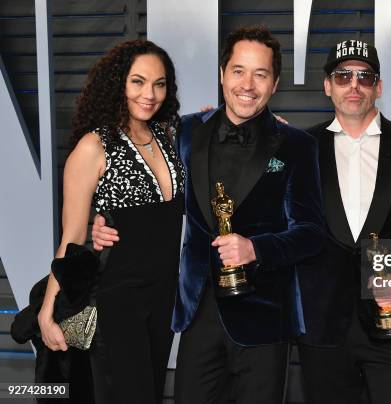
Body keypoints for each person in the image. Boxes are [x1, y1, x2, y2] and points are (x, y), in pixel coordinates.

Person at [92, 26, 324, 404]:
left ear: (275, 83)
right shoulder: (183, 132)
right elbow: (151, 193)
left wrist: (256, 249)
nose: (247, 84)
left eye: (260, 74)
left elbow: (312, 233)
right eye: (238, 71)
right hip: (198, 315)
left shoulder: (298, 145)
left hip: (264, 319)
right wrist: (109, 223)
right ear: (221, 74)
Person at [296, 40, 391, 404]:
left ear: (378, 87)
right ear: (327, 85)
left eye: (364, 77)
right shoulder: (298, 148)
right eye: (343, 75)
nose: (354, 85)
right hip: (321, 329)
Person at [37, 40, 185, 404]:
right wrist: (47, 310)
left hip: (163, 299)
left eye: (159, 83)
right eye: (138, 81)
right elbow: (71, 238)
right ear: (118, 83)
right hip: (117, 301)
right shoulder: (94, 147)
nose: (149, 94)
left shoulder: (168, 136)